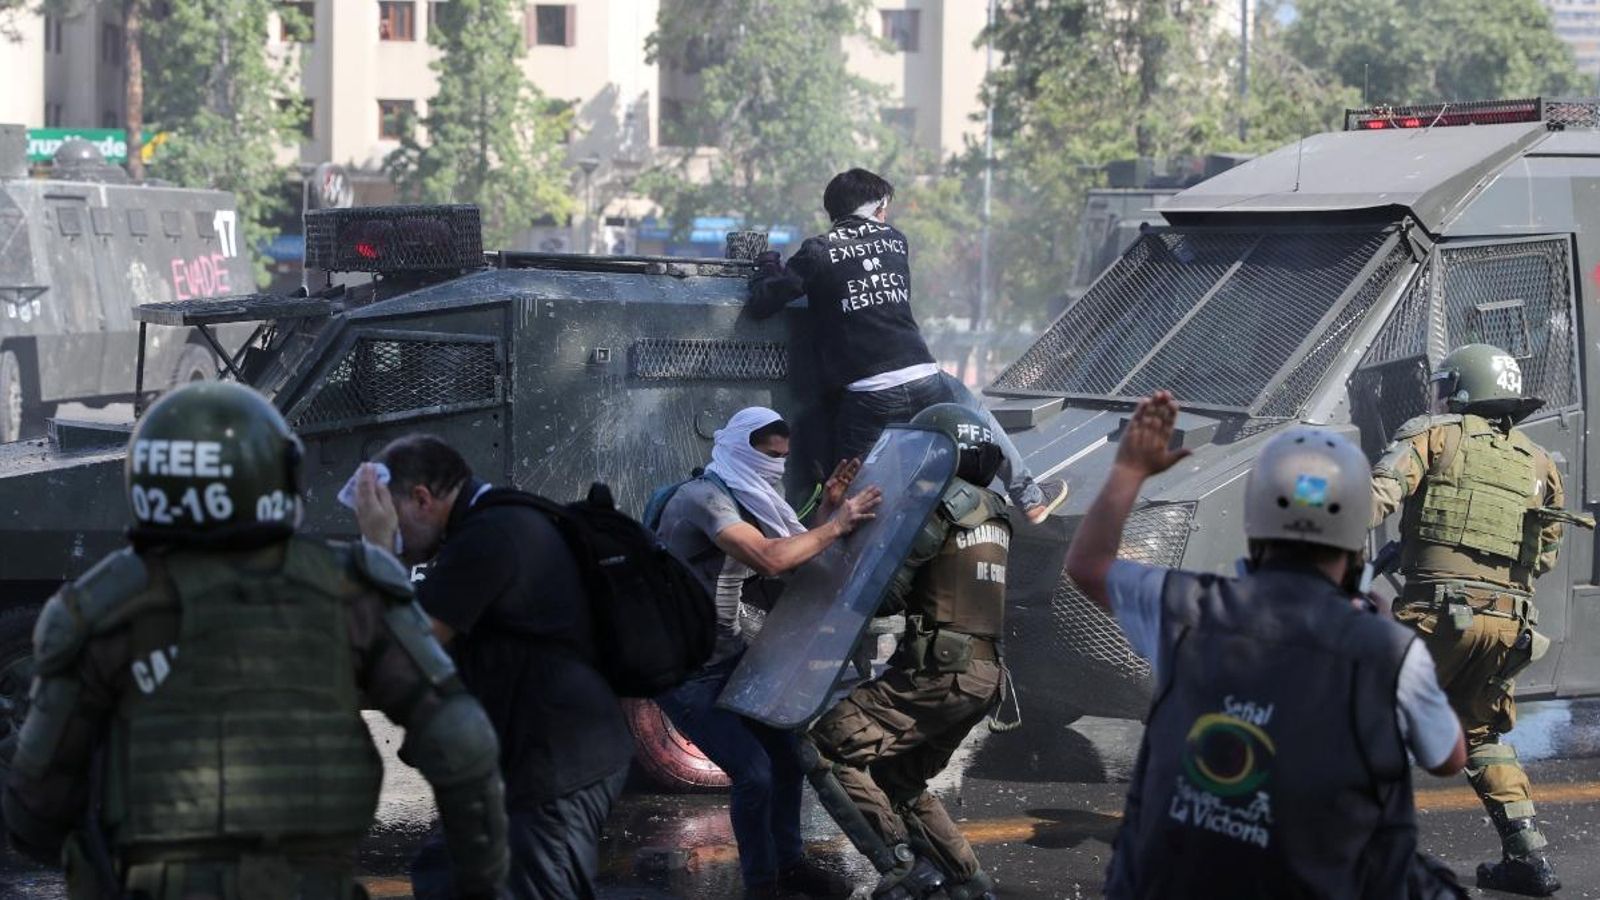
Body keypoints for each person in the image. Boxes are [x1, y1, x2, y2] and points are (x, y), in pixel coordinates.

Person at [3, 382, 508, 900]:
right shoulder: (353, 590)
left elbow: (35, 804)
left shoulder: (96, 608)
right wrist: (481, 882)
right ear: (280, 478)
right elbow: (463, 748)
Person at [1066, 391, 1468, 899]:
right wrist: (1389, 631)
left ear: (1255, 521)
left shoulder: (1184, 606)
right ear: (1351, 535)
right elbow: (1449, 757)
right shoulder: (1385, 650)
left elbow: (1088, 566)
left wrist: (1129, 470)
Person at [352, 434, 633, 900]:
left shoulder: (492, 535)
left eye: (392, 516)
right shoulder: (490, 523)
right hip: (513, 767)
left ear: (421, 498)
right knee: (443, 875)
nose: (395, 533)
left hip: (552, 771)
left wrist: (378, 550)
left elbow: (400, 653)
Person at [1371, 344, 1583, 896]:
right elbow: (1543, 556)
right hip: (1508, 623)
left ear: (1461, 390)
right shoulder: (1538, 463)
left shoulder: (1436, 433)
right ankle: (1529, 858)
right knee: (1480, 732)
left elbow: (1378, 493)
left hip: (1436, 617)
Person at [746, 167, 1067, 526]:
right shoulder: (896, 241)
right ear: (878, 207)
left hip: (868, 396)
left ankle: (847, 568)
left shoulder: (817, 252)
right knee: (978, 414)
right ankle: (1030, 498)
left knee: (853, 498)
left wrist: (768, 266)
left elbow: (764, 302)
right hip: (926, 381)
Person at [654, 407, 882, 900]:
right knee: (754, 773)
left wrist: (827, 511)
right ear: (737, 447)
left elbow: (799, 566)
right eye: (766, 455)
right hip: (685, 670)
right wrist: (837, 524)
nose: (775, 467)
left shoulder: (754, 497)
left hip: (732, 657)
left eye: (783, 457)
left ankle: (790, 866)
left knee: (788, 759)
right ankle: (762, 886)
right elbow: (767, 556)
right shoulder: (705, 498)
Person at [802, 403, 1012, 900]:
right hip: (983, 676)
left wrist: (846, 541)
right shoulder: (994, 511)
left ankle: (900, 866)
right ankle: (967, 881)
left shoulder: (943, 507)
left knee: (827, 745)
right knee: (900, 779)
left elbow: (887, 593)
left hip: (939, 673)